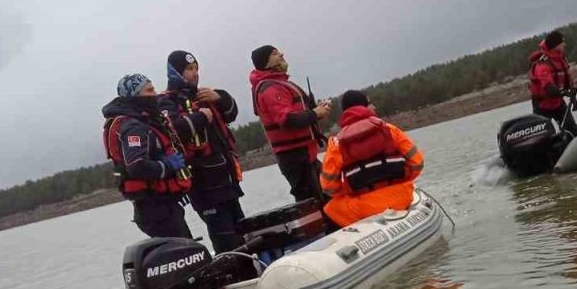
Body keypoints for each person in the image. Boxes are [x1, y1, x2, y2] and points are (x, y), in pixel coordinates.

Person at [160, 50, 246, 253]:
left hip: (227, 180)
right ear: (175, 72)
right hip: (203, 184)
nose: (195, 73)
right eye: (190, 69)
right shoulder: (166, 101)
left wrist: (220, 97)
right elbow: (173, 131)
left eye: (196, 68)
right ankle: (234, 277)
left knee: (243, 231)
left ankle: (252, 270)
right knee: (225, 238)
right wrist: (201, 118)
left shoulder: (205, 96)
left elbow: (231, 113)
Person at [102, 73, 193, 239]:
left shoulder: (143, 120)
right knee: (183, 249)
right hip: (154, 209)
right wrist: (168, 166)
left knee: (187, 247)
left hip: (163, 205)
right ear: (135, 96)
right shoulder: (133, 127)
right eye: (149, 90)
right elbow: (137, 166)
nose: (155, 94)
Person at [319, 91, 423, 228]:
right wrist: (401, 180)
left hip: (365, 209)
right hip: (401, 198)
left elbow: (329, 188)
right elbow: (417, 163)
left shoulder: (336, 143)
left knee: (330, 208)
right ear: (364, 107)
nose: (374, 107)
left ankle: (355, 236)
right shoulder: (389, 130)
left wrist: (351, 191)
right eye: (370, 104)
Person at [249, 45, 332, 203]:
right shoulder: (270, 88)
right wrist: (315, 113)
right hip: (295, 157)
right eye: (275, 53)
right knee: (313, 203)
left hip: (306, 154)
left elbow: (297, 116)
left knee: (328, 195)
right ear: (265, 62)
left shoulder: (278, 84)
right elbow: (287, 120)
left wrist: (317, 111)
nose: (281, 54)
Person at [528, 30, 577, 135]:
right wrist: (565, 93)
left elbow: (566, 80)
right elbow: (549, 88)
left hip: (558, 104)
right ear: (555, 45)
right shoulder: (543, 65)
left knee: (572, 130)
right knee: (545, 137)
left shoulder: (561, 59)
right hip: (542, 106)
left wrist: (573, 97)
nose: (564, 45)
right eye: (562, 42)